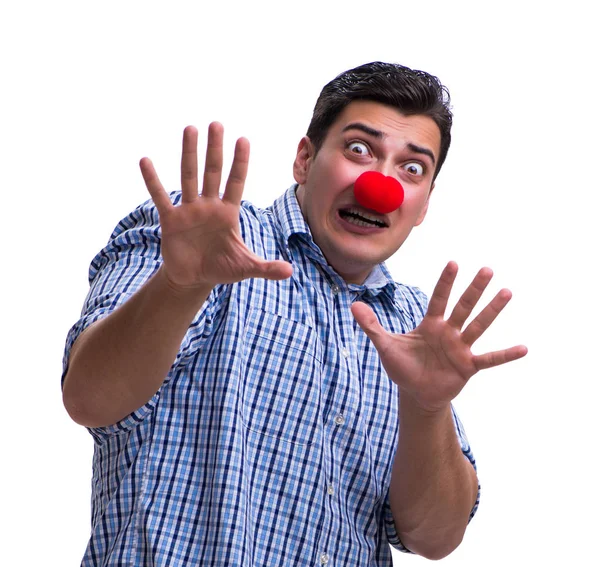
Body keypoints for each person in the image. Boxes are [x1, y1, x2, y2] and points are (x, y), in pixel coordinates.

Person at [62, 61, 527, 566]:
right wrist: (178, 285)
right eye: (359, 149)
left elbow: (433, 538)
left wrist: (427, 406)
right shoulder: (202, 237)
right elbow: (88, 399)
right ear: (305, 159)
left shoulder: (417, 325)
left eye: (412, 168)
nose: (381, 184)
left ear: (424, 204)